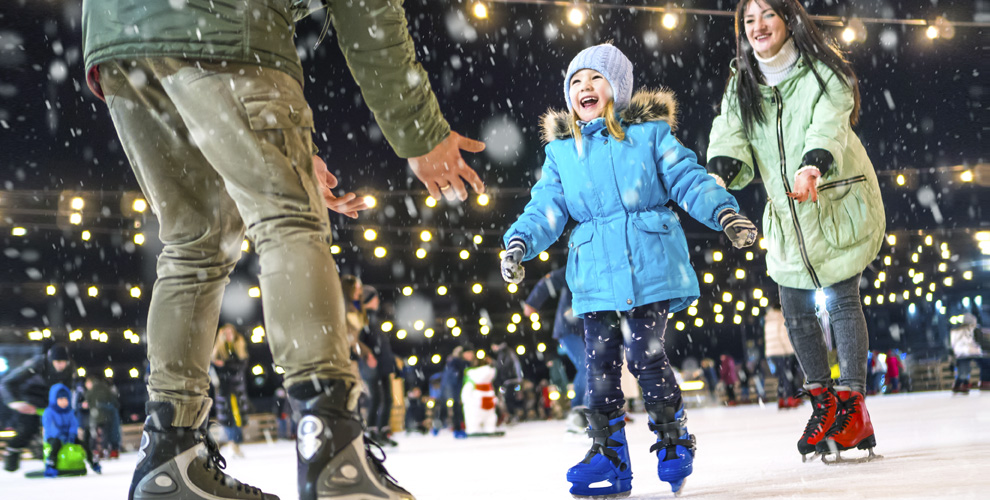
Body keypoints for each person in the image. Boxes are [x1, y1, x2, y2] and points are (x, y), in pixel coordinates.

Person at [81, 0, 486, 497]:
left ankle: (170, 455)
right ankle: (331, 442)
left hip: (120, 34)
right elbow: (369, 12)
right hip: (221, 23)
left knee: (195, 242)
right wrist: (421, 130)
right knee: (288, 218)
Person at [500, 43, 757, 498]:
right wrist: (520, 241)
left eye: (595, 78)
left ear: (616, 88)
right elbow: (546, 208)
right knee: (598, 366)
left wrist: (723, 213)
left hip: (648, 267)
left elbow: (688, 179)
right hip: (596, 275)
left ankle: (674, 439)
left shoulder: (651, 136)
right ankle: (609, 454)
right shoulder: (563, 152)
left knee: (644, 357)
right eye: (576, 81)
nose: (585, 87)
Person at [707, 0, 885, 462]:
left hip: (832, 198)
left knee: (843, 299)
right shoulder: (742, 82)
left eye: (767, 15)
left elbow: (830, 122)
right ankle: (824, 405)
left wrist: (813, 165)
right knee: (795, 309)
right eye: (748, 20)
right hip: (787, 217)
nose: (757, 26)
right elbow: (730, 132)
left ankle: (853, 405)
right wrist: (718, 174)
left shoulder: (822, 71)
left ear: (788, 19)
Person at [523, 268, 588, 432]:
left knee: (598, 367)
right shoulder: (579, 263)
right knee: (587, 367)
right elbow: (550, 280)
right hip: (570, 328)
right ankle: (579, 413)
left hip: (590, 327)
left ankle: (599, 409)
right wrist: (533, 302)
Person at [2, 344, 74, 472]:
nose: (61, 365)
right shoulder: (36, 364)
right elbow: (7, 383)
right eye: (57, 362)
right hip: (29, 399)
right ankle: (12, 453)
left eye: (64, 362)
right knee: (28, 429)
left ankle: (54, 459)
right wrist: (14, 402)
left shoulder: (69, 368)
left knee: (60, 430)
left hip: (50, 401)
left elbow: (66, 389)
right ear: (50, 360)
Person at [42, 383, 100, 477]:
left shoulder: (69, 412)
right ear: (54, 400)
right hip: (53, 436)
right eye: (60, 399)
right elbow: (49, 426)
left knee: (83, 444)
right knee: (55, 445)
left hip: (68, 435)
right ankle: (50, 464)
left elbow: (74, 424)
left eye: (65, 399)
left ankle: (93, 462)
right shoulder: (49, 412)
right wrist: (58, 434)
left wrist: (72, 434)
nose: (63, 402)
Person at [211, 324, 251, 458]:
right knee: (227, 418)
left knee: (237, 417)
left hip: (237, 389)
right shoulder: (218, 351)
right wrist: (224, 368)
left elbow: (239, 367)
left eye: (230, 333)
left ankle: (236, 443)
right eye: (225, 333)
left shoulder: (239, 349)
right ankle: (232, 443)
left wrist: (225, 366)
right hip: (223, 390)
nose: (228, 336)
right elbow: (214, 368)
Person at [765, 307, 802, 409]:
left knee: (781, 376)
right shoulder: (780, 318)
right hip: (782, 351)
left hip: (771, 352)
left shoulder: (769, 320)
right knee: (787, 376)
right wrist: (791, 350)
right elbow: (783, 336)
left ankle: (781, 399)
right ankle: (790, 398)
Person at [83, 376, 122, 459]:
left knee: (99, 434)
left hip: (97, 416)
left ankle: (100, 451)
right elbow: (115, 401)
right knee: (110, 433)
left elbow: (87, 400)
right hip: (110, 416)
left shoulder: (92, 391)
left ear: (90, 382)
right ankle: (112, 451)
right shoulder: (106, 388)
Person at [951, 313, 990, 394]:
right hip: (973, 351)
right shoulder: (974, 329)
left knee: (963, 372)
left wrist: (952, 356)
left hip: (961, 353)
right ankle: (985, 382)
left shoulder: (956, 330)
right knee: (986, 365)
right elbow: (980, 341)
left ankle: (961, 384)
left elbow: (952, 344)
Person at [440, 347, 471, 439]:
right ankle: (458, 429)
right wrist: (456, 394)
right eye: (468, 353)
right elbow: (451, 380)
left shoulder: (461, 364)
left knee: (459, 410)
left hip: (460, 391)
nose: (470, 355)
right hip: (456, 391)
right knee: (457, 410)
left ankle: (461, 427)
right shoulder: (456, 364)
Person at [490, 342, 525, 424]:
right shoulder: (504, 353)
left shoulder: (506, 353)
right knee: (510, 397)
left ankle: (514, 415)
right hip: (509, 381)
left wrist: (518, 377)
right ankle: (513, 415)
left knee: (511, 397)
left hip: (512, 380)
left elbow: (510, 366)